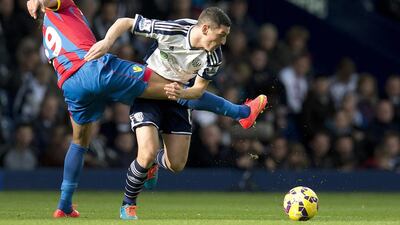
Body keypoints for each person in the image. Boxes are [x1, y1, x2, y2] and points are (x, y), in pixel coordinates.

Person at [26, 0, 267, 219]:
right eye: (221, 35)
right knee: (170, 89)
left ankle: (64, 205)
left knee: (80, 141)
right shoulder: (63, 6)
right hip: (93, 67)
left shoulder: (49, 25)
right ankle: (242, 113)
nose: (223, 41)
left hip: (70, 85)